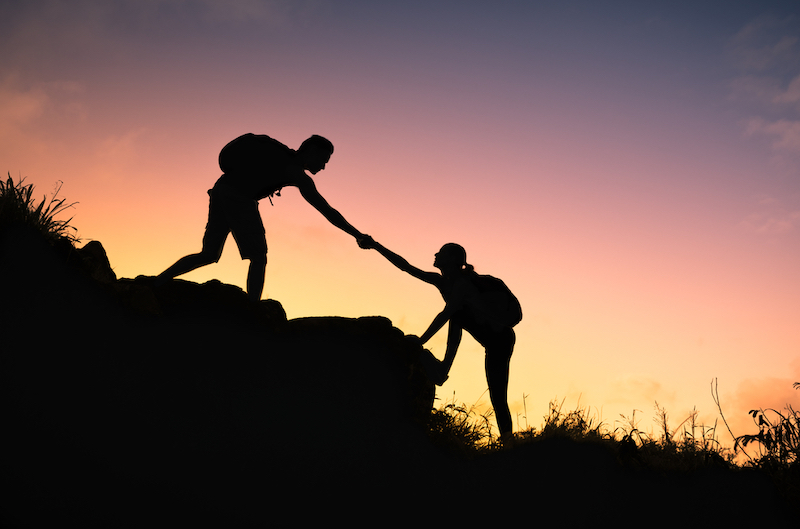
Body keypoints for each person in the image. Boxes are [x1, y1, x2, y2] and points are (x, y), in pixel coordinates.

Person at [155, 133, 370, 301]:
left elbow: (327, 211)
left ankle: (157, 282)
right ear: (311, 150)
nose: (323, 166)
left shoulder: (282, 155)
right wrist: (357, 235)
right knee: (259, 257)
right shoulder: (296, 173)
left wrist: (358, 235)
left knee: (209, 254)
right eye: (323, 160)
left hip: (221, 190)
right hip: (238, 198)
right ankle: (253, 310)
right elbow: (328, 211)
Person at [362, 239, 517, 441]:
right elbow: (406, 267)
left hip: (500, 341)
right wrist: (375, 246)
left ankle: (508, 441)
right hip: (488, 335)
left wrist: (421, 340)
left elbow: (446, 314)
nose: (435, 254)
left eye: (441, 252)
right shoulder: (443, 282)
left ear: (451, 259)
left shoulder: (462, 284)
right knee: (458, 316)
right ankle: (444, 369)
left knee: (497, 395)